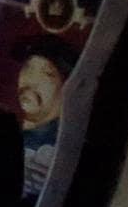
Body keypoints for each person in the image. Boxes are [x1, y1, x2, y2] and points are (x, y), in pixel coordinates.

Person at [12, 34, 80, 188]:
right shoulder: (8, 134)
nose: (30, 80)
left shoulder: (60, 150)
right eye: (27, 68)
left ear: (66, 87)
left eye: (47, 74)